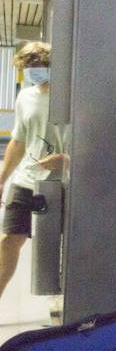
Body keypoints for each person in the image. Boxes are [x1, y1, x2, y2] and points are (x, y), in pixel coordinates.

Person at [0, 43, 67, 305]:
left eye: (37, 66)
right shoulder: (25, 96)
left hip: (63, 183)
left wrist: (67, 160)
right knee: (8, 241)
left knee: (63, 245)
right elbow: (18, 141)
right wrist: (3, 177)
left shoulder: (70, 97)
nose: (32, 72)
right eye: (27, 68)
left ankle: (63, 300)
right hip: (27, 179)